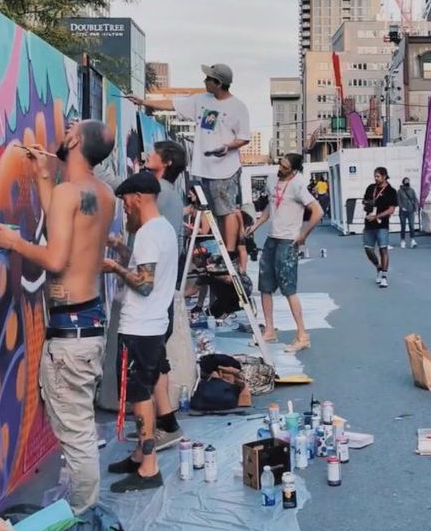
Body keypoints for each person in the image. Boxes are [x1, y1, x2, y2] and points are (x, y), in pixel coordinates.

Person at [0, 119, 116, 515]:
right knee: (78, 426)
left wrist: (14, 241)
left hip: (70, 334)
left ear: (75, 141)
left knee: (78, 434)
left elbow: (56, 257)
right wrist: (45, 177)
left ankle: (85, 516)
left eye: (71, 127)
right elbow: (66, 226)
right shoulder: (102, 194)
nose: (64, 129)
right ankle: (85, 508)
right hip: (88, 325)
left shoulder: (70, 193)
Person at [129, 64, 250, 272]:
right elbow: (173, 104)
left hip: (224, 169)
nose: (204, 82)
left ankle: (228, 254)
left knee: (226, 211)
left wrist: (226, 147)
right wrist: (142, 101)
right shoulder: (202, 100)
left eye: (208, 79)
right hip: (204, 168)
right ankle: (223, 252)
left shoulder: (237, 107)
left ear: (219, 83)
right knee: (217, 213)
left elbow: (244, 137)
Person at [102, 173, 179, 493]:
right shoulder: (164, 229)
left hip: (139, 328)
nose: (125, 208)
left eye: (125, 201)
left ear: (138, 197)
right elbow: (149, 273)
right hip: (152, 326)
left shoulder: (148, 233)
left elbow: (144, 284)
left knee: (139, 395)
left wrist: (114, 267)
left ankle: (149, 467)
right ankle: (139, 456)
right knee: (141, 391)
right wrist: (123, 251)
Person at [245, 153, 323, 353]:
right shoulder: (273, 180)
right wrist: (256, 225)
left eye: (285, 167)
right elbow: (270, 208)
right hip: (272, 238)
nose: (281, 168)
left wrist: (303, 235)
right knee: (265, 286)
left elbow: (318, 211)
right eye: (280, 164)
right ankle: (269, 330)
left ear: (294, 169)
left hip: (288, 241)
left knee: (289, 289)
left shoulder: (298, 185)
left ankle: (302, 334)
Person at [362, 167, 398, 288]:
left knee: (383, 249)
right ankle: (378, 267)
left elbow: (391, 209)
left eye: (378, 176)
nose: (376, 179)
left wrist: (377, 215)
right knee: (368, 249)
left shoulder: (391, 191)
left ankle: (384, 276)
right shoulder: (371, 187)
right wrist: (367, 204)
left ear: (384, 176)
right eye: (375, 176)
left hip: (382, 224)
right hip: (369, 223)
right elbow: (364, 201)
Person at [398, 176, 419, 248]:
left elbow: (415, 199)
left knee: (411, 226)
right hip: (403, 212)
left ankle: (412, 240)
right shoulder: (400, 191)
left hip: (411, 210)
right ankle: (402, 240)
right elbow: (398, 200)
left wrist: (416, 208)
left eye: (408, 181)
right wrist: (402, 207)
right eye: (406, 181)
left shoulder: (412, 190)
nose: (407, 182)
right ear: (403, 182)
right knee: (403, 226)